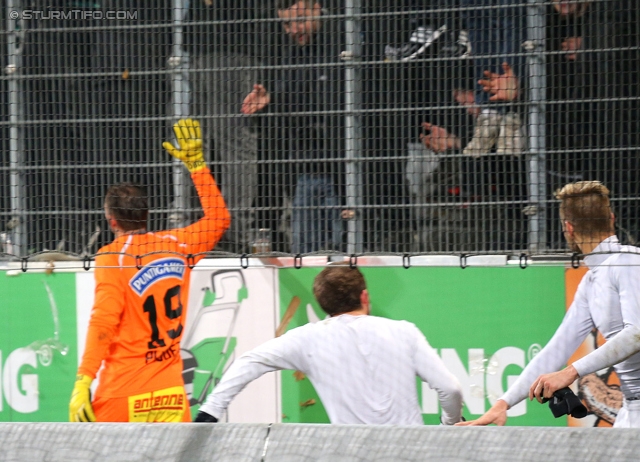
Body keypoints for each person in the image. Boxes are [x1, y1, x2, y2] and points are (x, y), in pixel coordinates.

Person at [68, 119, 231, 422]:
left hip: (123, 391)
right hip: (169, 394)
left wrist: (83, 380)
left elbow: (103, 323)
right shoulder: (180, 244)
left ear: (111, 220)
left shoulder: (112, 257)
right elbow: (219, 218)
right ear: (147, 214)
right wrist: (197, 166)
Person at [458, 181, 640, 428]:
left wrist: (569, 373)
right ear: (611, 217)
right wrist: (502, 405)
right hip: (630, 411)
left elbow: (636, 333)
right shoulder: (590, 281)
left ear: (568, 228)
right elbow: (556, 351)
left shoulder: (629, 262)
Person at [194, 264, 463, 425]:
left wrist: (210, 412)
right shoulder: (405, 332)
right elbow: (450, 389)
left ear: (324, 304)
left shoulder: (308, 339)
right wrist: (450, 423)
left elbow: (249, 362)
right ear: (365, 296)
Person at [241, 0, 344, 254]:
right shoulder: (292, 51)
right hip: (307, 168)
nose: (292, 29)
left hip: (345, 172)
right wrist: (271, 100)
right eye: (286, 23)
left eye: (298, 20)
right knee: (305, 254)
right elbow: (295, 96)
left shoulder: (344, 40)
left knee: (345, 253)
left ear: (317, 7)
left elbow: (332, 101)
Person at [184, 0, 263, 253]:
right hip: (198, 50)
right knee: (196, 145)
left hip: (234, 49)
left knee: (234, 145)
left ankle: (234, 234)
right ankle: (199, 228)